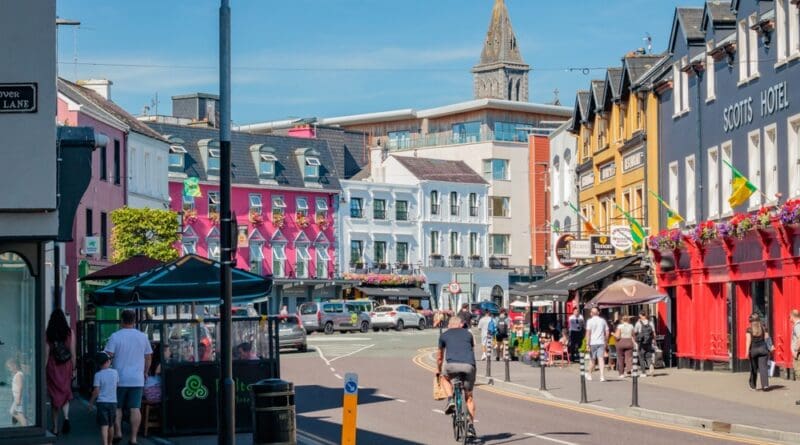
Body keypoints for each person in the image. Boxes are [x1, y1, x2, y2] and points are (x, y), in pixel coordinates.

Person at [104, 309, 153, 445]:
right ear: (134, 321)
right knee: (135, 408)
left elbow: (107, 356)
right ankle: (133, 438)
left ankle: (118, 433)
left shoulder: (115, 336)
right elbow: (148, 357)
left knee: (117, 407)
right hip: (137, 379)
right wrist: (145, 371)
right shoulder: (142, 336)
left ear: (121, 320)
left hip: (118, 378)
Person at [437, 317, 477, 439]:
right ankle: (470, 426)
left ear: (449, 325)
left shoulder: (444, 335)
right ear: (460, 325)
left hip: (452, 366)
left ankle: (451, 400)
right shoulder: (469, 334)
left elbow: (439, 357)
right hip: (469, 366)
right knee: (469, 397)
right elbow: (471, 348)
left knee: (444, 378)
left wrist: (438, 370)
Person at [45, 308, 75, 435]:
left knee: (54, 396)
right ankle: (66, 418)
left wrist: (43, 370)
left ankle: (55, 428)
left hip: (53, 365)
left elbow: (46, 354)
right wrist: (74, 369)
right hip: (66, 365)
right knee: (65, 393)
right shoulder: (70, 333)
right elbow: (73, 353)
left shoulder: (48, 334)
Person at [88, 352, 119, 445]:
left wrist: (91, 403)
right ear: (108, 361)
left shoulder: (98, 375)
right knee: (111, 425)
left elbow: (96, 391)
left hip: (102, 403)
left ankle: (105, 443)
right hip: (113, 402)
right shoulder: (115, 372)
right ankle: (110, 443)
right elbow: (117, 385)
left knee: (104, 426)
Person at [745, 313, 772, 391]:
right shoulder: (763, 328)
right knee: (763, 368)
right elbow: (767, 338)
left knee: (753, 368)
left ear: (751, 321)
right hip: (763, 350)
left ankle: (753, 386)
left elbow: (748, 341)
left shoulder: (749, 329)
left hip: (753, 351)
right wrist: (770, 347)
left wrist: (747, 352)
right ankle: (765, 385)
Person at [585, 307, 609, 381]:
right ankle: (602, 376)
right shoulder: (603, 321)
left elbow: (588, 333)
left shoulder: (589, 321)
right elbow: (607, 332)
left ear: (591, 313)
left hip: (593, 342)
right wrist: (606, 341)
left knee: (592, 359)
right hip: (601, 342)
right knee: (601, 359)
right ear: (598, 312)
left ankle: (589, 374)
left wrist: (587, 344)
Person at [634, 311, 656, 377]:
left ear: (640, 315)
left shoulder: (638, 323)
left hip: (641, 342)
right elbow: (653, 332)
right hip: (649, 341)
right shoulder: (650, 322)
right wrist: (654, 340)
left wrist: (636, 339)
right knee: (649, 355)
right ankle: (650, 365)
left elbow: (635, 332)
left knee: (641, 357)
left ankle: (643, 372)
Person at [6, 356, 27, 426]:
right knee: (13, 411)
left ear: (14, 366)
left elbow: (20, 387)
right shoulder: (17, 374)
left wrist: (18, 399)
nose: (9, 369)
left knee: (18, 413)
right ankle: (21, 424)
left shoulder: (18, 375)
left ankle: (24, 425)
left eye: (9, 367)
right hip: (17, 397)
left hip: (19, 398)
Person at [790, 309, 800, 405]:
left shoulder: (797, 326)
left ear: (793, 316)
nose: (790, 319)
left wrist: (796, 351)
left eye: (790, 317)